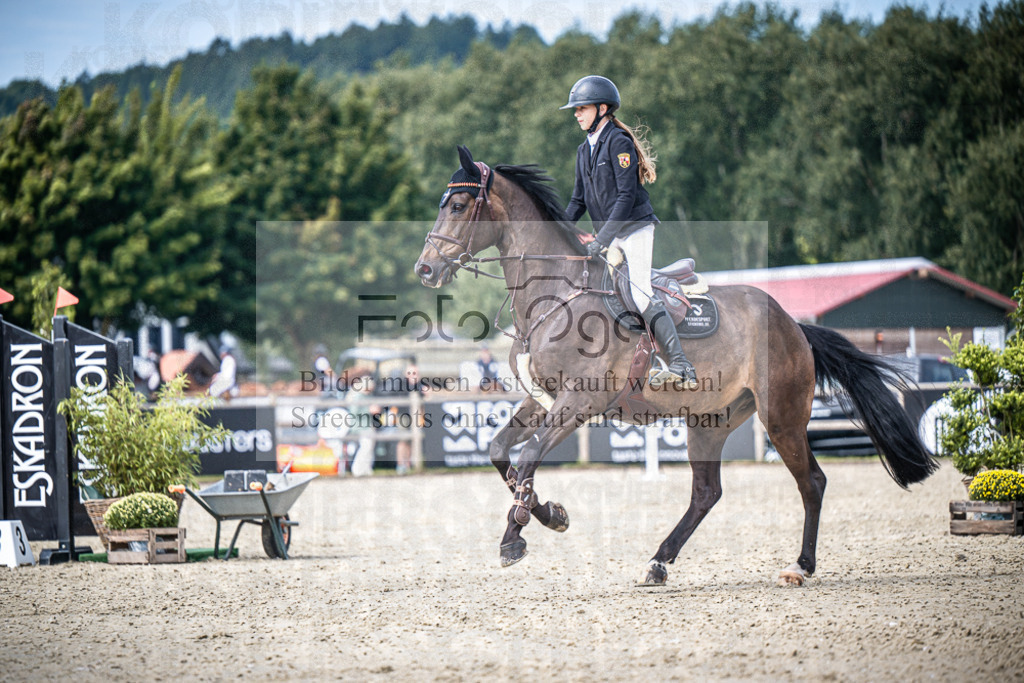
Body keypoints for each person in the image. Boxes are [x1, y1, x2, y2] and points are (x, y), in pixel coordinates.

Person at [560, 74, 698, 388]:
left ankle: (680, 364)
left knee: (638, 291)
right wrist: (557, 229)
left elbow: (625, 197)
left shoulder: (618, 143)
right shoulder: (584, 150)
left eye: (581, 108)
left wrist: (602, 240)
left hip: (635, 229)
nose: (576, 114)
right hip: (611, 235)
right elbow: (578, 200)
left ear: (602, 108)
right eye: (575, 109)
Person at [394, 362, 428, 475]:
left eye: (415, 373)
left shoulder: (420, 384)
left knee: (412, 440)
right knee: (403, 440)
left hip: (415, 416)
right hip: (403, 415)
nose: (413, 375)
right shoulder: (401, 384)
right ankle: (400, 464)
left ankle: (407, 464)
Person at [347, 376, 380, 477]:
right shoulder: (357, 396)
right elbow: (354, 412)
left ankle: (366, 468)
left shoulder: (368, 396)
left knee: (369, 447)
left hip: (367, 426)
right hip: (359, 427)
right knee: (366, 446)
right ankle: (357, 469)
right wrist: (368, 410)